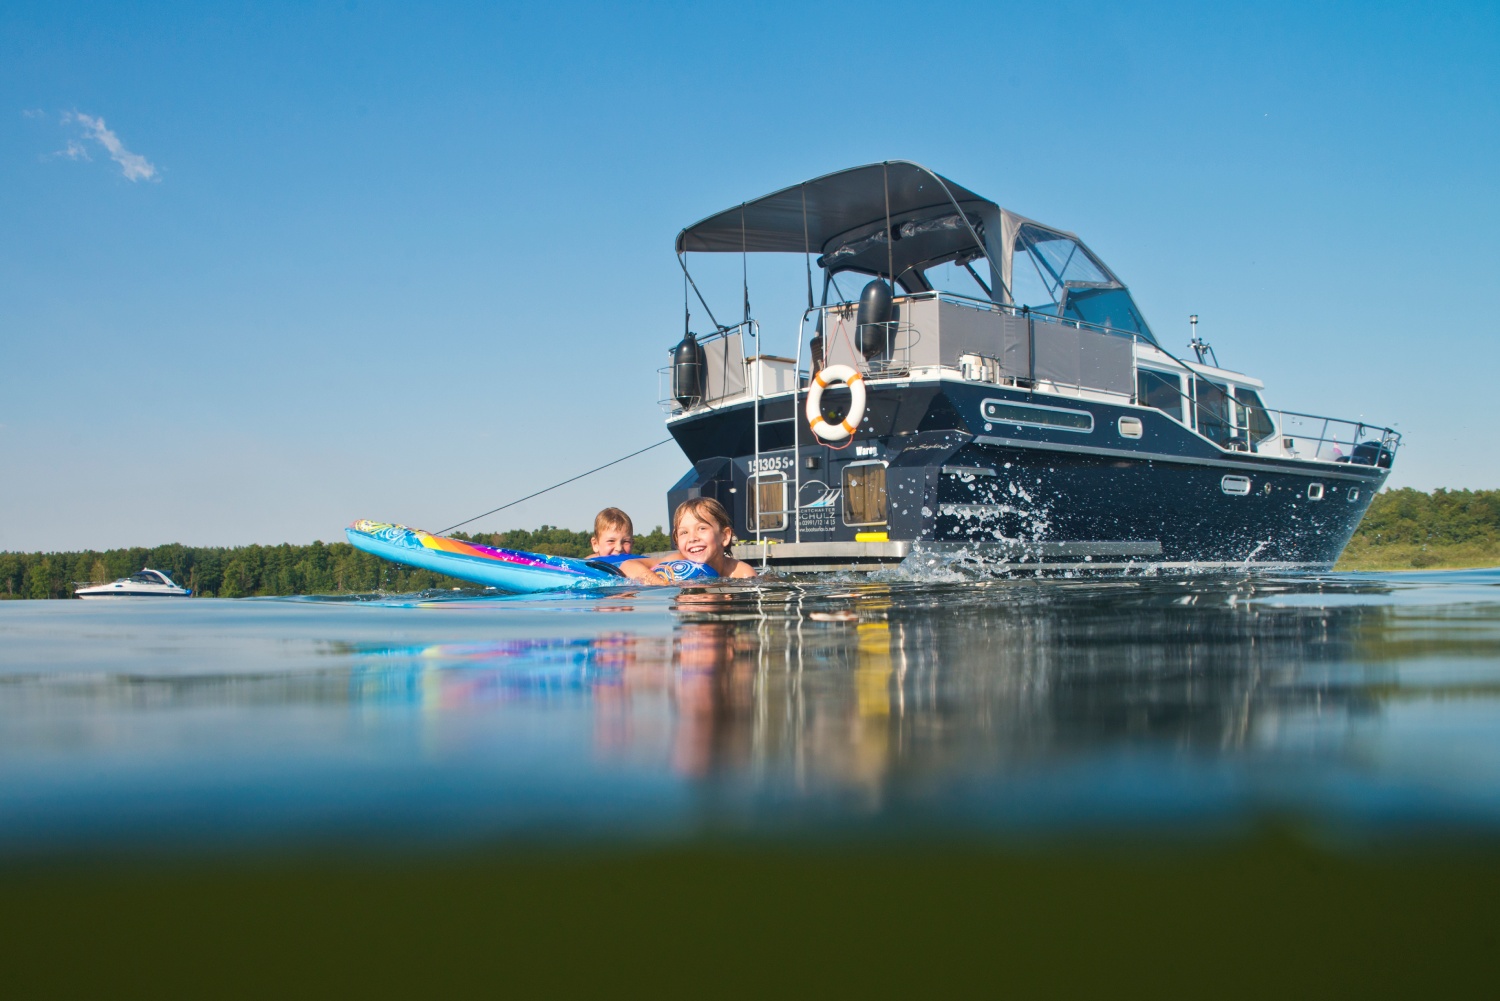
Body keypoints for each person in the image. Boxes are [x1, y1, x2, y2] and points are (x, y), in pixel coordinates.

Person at [617, 497, 756, 583]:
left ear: (724, 536)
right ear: (677, 540)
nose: (692, 538)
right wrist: (660, 583)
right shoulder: (678, 561)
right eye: (684, 532)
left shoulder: (741, 573)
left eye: (702, 528)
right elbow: (628, 565)